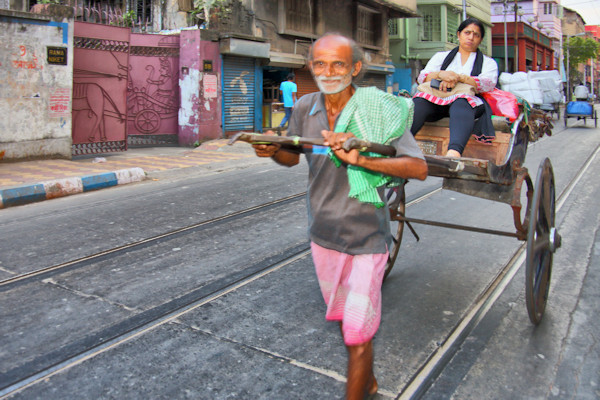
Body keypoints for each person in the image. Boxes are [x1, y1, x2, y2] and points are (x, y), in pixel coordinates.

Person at [253, 34, 428, 399]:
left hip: (367, 237)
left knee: (358, 335)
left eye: (338, 64)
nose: (328, 72)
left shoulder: (377, 108)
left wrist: (360, 159)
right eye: (320, 64)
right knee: (351, 329)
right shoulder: (304, 108)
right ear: (310, 67)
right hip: (323, 235)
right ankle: (369, 381)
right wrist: (271, 150)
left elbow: (418, 167)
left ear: (355, 68)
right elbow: (292, 155)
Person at [410, 17, 498, 158]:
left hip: (469, 104)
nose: (471, 37)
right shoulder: (441, 57)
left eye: (476, 35)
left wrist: (459, 78)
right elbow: (422, 77)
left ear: (480, 39)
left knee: (461, 103)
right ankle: (399, 145)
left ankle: (454, 153)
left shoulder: (488, 63)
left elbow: (488, 84)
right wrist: (441, 74)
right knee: (418, 103)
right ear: (459, 35)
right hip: (438, 99)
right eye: (467, 33)